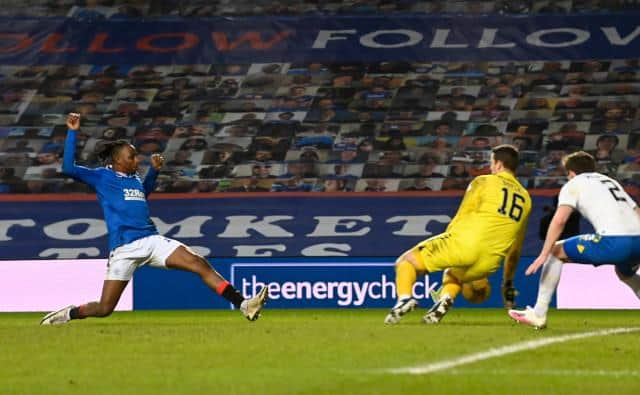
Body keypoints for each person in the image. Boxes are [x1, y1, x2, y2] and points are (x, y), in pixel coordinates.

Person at [41, 113, 268, 325]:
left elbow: (143, 195)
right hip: (124, 248)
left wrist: (154, 172)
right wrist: (72, 132)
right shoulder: (102, 177)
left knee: (199, 264)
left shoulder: (134, 179)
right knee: (104, 308)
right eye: (132, 156)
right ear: (119, 160)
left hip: (151, 239)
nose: (137, 160)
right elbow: (68, 168)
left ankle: (243, 304)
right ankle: (68, 314)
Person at [384, 145, 531, 324]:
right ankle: (445, 301)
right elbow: (515, 248)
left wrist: (446, 244)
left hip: (465, 243)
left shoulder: (484, 181)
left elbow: (463, 214)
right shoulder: (525, 198)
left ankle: (404, 299)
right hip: (490, 261)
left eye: (492, 163)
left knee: (406, 262)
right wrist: (507, 282)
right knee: (453, 274)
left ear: (499, 164)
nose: (491, 167)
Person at [509, 151, 640, 329]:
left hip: (614, 241)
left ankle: (538, 314)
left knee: (556, 251)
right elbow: (636, 211)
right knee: (625, 273)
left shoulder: (574, 184)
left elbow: (560, 220)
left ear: (570, 172)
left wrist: (544, 253)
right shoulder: (610, 181)